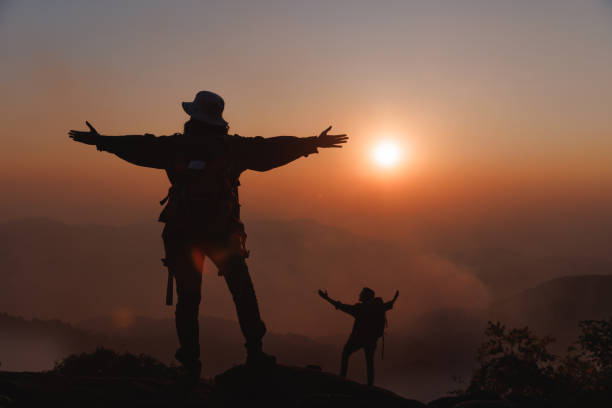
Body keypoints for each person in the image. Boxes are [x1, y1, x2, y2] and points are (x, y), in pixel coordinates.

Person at [68, 90, 348, 383]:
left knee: (188, 301)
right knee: (243, 294)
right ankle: (256, 352)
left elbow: (140, 146)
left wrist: (101, 142)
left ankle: (189, 363)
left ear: (194, 115)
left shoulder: (175, 146)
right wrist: (312, 143)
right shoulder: (233, 148)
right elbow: (270, 150)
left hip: (182, 235)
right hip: (222, 234)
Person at [318, 287, 399, 386]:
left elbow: (343, 307)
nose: (359, 295)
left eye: (361, 293)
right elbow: (389, 304)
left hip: (358, 338)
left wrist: (327, 299)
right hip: (372, 339)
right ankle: (370, 385)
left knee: (346, 353)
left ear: (365, 296)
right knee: (369, 362)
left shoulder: (360, 309)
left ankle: (342, 378)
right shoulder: (378, 306)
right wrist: (395, 298)